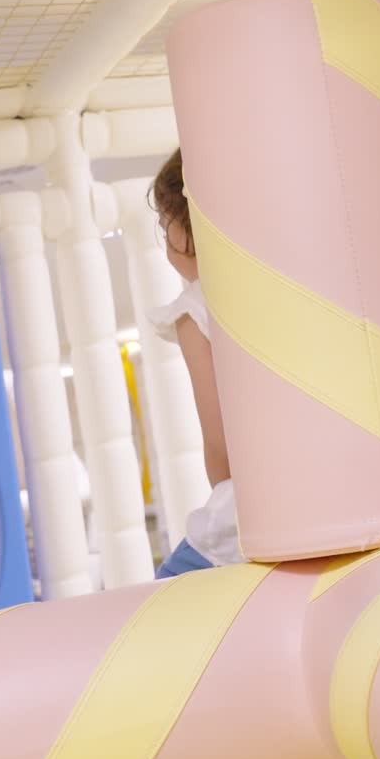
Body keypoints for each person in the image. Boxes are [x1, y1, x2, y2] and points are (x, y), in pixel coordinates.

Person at [149, 147, 243, 578]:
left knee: (156, 606)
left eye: (165, 220)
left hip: (245, 514)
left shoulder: (196, 310)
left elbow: (220, 440)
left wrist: (225, 495)